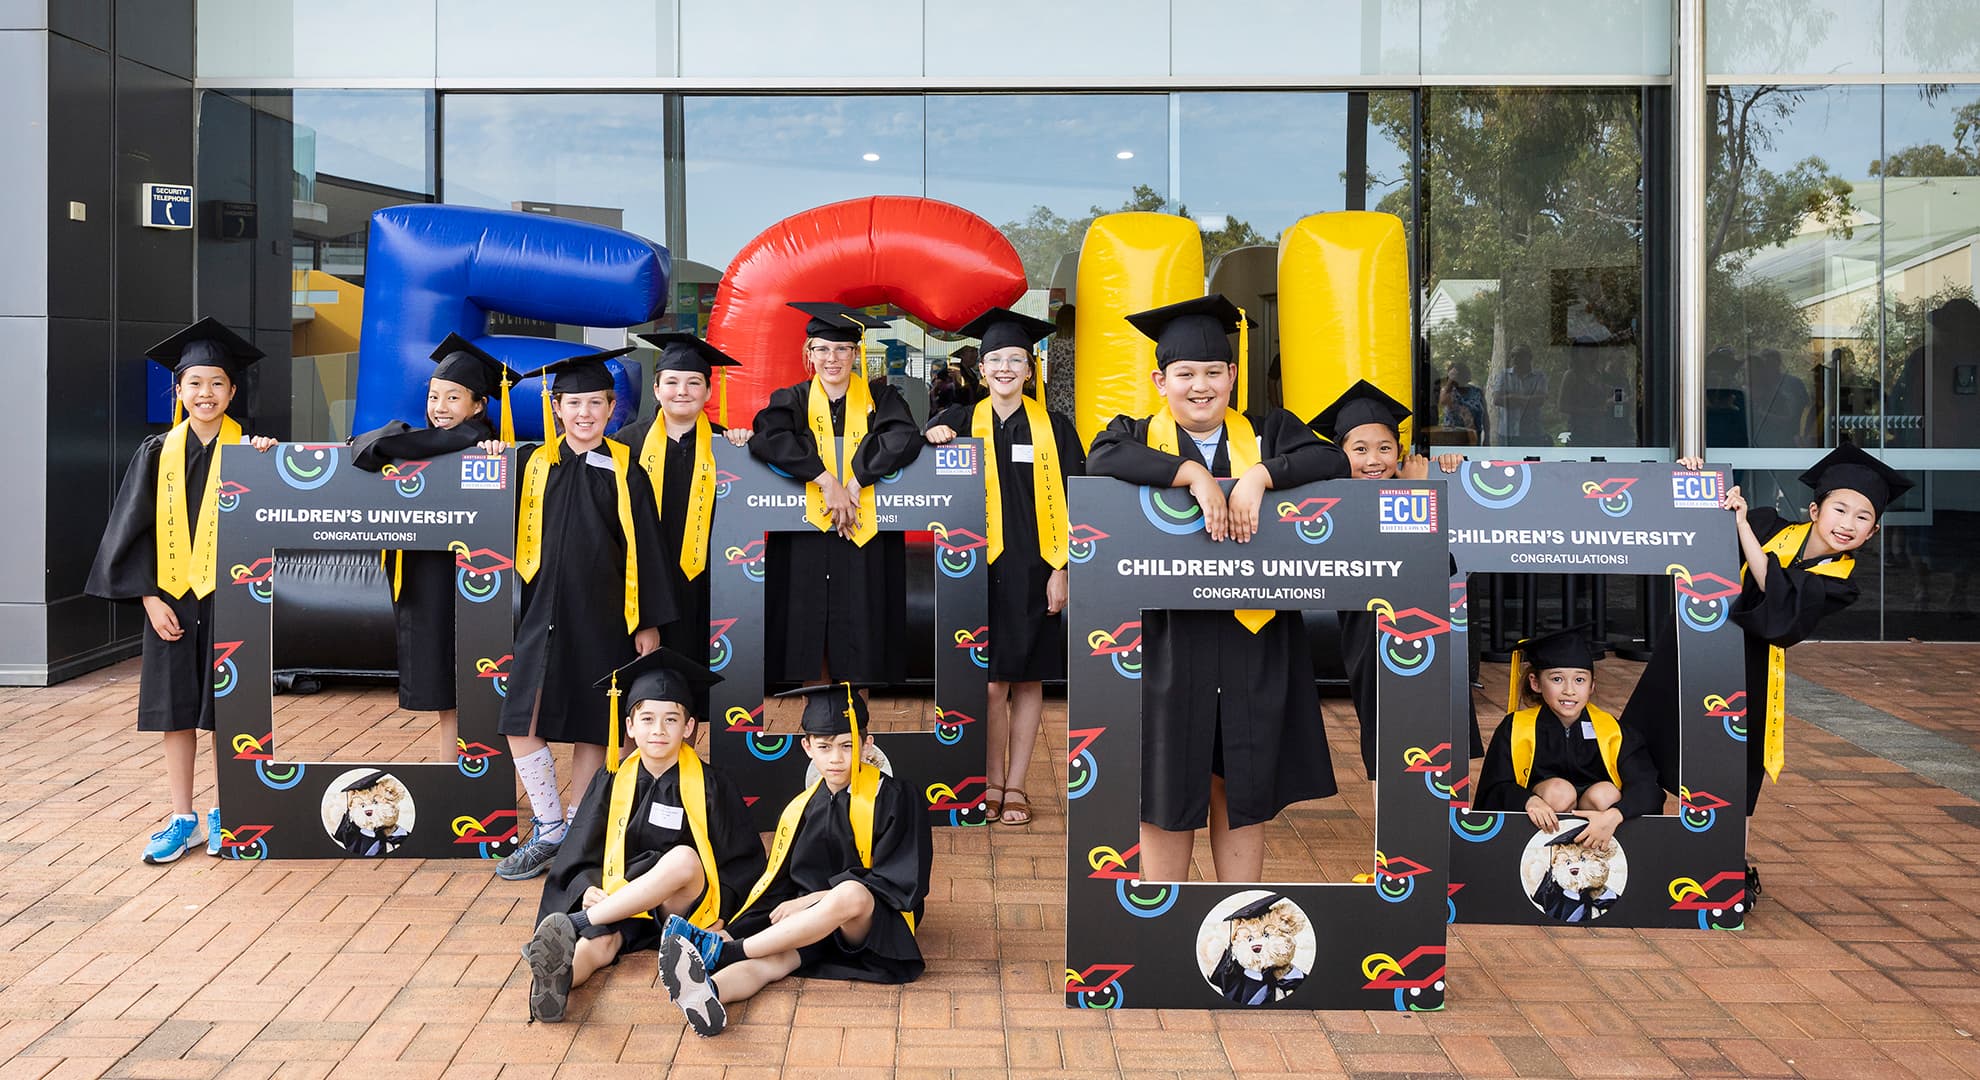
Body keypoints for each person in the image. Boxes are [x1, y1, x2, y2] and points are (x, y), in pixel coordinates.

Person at [1086, 294, 1349, 883]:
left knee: (1245, 774)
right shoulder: (1134, 433)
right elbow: (1101, 458)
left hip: (1253, 637)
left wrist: (1260, 475)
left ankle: (1235, 913)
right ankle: (1163, 915)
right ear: (1160, 380)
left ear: (1232, 375)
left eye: (1212, 373)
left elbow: (1328, 460)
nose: (1199, 387)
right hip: (1170, 640)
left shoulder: (1267, 431)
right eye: (1185, 375)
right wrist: (1193, 474)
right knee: (1168, 775)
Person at [1623, 444, 1912, 899]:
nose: (1847, 524)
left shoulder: (1841, 580)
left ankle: (1724, 872)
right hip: (1688, 650)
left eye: (1862, 518)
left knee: (1732, 771)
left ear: (1873, 531)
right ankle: (1631, 845)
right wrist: (1691, 481)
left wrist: (1741, 531)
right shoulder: (1764, 522)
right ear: (1815, 509)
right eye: (1840, 509)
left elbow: (1780, 609)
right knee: (1647, 740)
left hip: (1750, 674)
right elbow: (1686, 527)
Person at [86, 318, 277, 863]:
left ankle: (227, 813)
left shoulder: (252, 450)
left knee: (227, 710)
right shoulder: (156, 452)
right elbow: (132, 529)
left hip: (232, 597)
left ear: (233, 391)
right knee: (175, 710)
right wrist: (148, 597)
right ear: (178, 390)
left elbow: (280, 509)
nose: (206, 394)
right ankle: (182, 816)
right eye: (194, 383)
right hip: (170, 598)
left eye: (217, 383)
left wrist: (271, 458)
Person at [658, 683, 932, 1037]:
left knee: (851, 894)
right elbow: (779, 887)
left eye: (848, 745)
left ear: (867, 744)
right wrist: (734, 927)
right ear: (807, 748)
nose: (836, 758)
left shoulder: (896, 797)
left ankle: (725, 953)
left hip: (872, 929)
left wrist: (815, 899)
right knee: (772, 962)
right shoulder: (801, 808)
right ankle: (708, 994)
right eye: (824, 747)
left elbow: (901, 881)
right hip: (815, 930)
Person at [495, 348, 674, 882]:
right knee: (521, 718)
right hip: (539, 610)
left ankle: (578, 831)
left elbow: (647, 548)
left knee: (595, 722)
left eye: (595, 403)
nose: (584, 413)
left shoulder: (626, 472)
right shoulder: (532, 464)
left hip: (602, 612)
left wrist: (646, 620)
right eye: (574, 403)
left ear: (612, 407)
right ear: (556, 406)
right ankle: (548, 825)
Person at [521, 648, 766, 1022]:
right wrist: (586, 886)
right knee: (599, 944)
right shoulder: (612, 779)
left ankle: (575, 925)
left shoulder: (713, 785)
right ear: (630, 726)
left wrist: (727, 917)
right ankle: (557, 981)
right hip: (622, 898)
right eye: (647, 719)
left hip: (684, 905)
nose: (658, 730)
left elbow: (743, 860)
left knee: (683, 859)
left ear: (689, 728)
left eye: (671, 720)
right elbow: (581, 847)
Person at [925, 307, 1086, 826]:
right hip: (973, 566)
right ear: (981, 367)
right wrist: (931, 437)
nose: (1005, 368)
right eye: (995, 359)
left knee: (1029, 679)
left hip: (1035, 566)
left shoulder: (1056, 428)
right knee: (991, 682)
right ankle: (989, 779)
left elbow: (1079, 502)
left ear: (1030, 366)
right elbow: (908, 454)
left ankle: (1015, 784)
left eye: (1016, 359)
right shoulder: (955, 421)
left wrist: (1064, 570)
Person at [348, 333, 515, 757]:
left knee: (476, 681)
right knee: (447, 693)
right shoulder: (428, 443)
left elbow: (378, 447)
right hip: (430, 575)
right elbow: (378, 449)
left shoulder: (481, 445)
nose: (439, 407)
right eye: (434, 395)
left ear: (478, 405)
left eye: (453, 397)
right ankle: (449, 773)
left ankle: (477, 777)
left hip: (472, 578)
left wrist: (372, 442)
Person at [1309, 380, 1479, 784]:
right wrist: (1415, 492)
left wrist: (1446, 470)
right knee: (1386, 756)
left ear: (1400, 452)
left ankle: (1446, 842)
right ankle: (1388, 848)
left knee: (1445, 748)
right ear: (1340, 454)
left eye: (1385, 448)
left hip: (1434, 636)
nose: (1374, 460)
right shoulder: (1334, 507)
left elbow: (1440, 566)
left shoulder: (1414, 486)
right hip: (1373, 643)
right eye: (1360, 449)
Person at [749, 302, 925, 685]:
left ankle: (855, 736)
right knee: (807, 637)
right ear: (808, 354)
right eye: (822, 349)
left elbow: (903, 438)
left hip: (865, 538)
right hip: (805, 542)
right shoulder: (790, 399)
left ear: (856, 354)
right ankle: (820, 733)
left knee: (862, 640)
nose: (832, 358)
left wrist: (856, 481)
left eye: (842, 349)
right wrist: (826, 481)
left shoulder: (883, 400)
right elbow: (768, 437)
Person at [612, 332, 752, 719]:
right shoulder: (625, 445)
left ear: (709, 391)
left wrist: (746, 447)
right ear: (656, 389)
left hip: (705, 587)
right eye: (671, 381)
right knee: (639, 692)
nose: (682, 391)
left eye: (694, 382)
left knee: (701, 692)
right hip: (640, 586)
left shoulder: (727, 446)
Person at [1475, 625, 1661, 853]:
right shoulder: (1516, 729)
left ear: (1592, 685)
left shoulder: (1613, 732)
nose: (1569, 690)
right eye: (1557, 679)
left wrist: (1614, 815)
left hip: (1601, 832)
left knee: (1606, 794)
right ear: (1535, 683)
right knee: (1560, 791)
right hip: (1540, 832)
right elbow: (1494, 789)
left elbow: (1648, 788)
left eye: (1580, 680)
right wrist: (1527, 800)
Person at [1488, 345, 1548, 445]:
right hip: (1507, 432)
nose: (1515, 359)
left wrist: (1511, 397)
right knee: (1508, 461)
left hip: (1532, 432)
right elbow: (1497, 400)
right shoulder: (1503, 375)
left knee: (1532, 460)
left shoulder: (1539, 376)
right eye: (1513, 355)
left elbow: (1539, 401)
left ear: (1529, 357)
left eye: (1520, 355)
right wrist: (1528, 399)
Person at [1438, 361, 1488, 445]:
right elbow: (1442, 401)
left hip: (1474, 436)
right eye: (1453, 375)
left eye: (1459, 375)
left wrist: (1487, 437)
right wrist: (1450, 381)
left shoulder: (1477, 391)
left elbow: (1485, 416)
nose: (1457, 378)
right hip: (1453, 438)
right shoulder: (1449, 392)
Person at [1044, 302, 1077, 419]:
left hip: (1057, 395)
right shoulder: (1081, 345)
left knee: (1059, 429)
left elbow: (1048, 375)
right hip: (1077, 394)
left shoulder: (1054, 345)